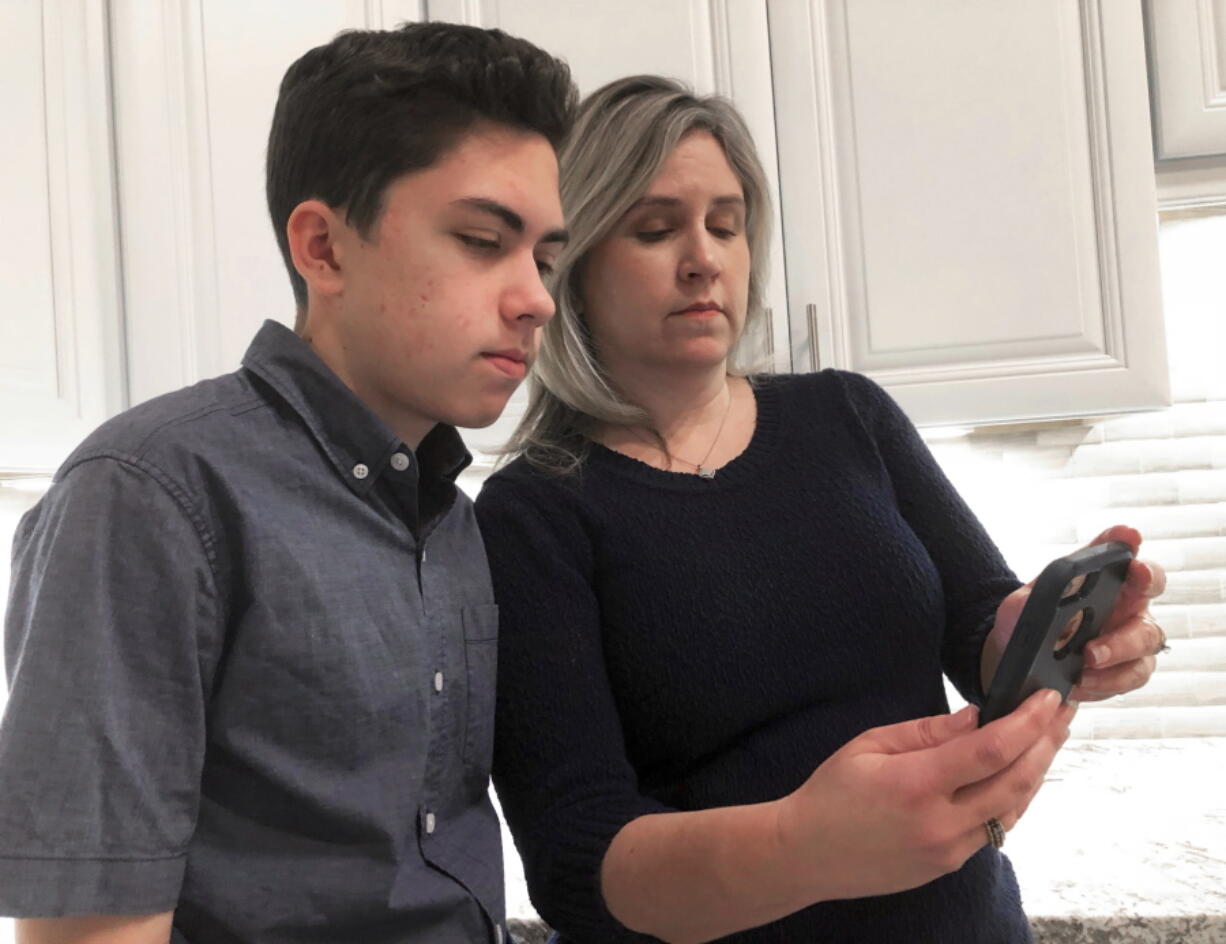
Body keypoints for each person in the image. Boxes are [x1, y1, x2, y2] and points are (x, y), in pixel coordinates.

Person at [474, 76, 1168, 944]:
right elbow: (578, 860)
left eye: (726, 225)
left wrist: (1037, 634)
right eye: (655, 229)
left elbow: (977, 627)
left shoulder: (847, 415)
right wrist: (802, 847)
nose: (705, 258)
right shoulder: (534, 514)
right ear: (568, 266)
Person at [0, 23, 575, 944]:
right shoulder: (149, 496)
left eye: (544, 259)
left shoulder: (456, 524)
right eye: (481, 240)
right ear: (324, 248)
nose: (538, 297)